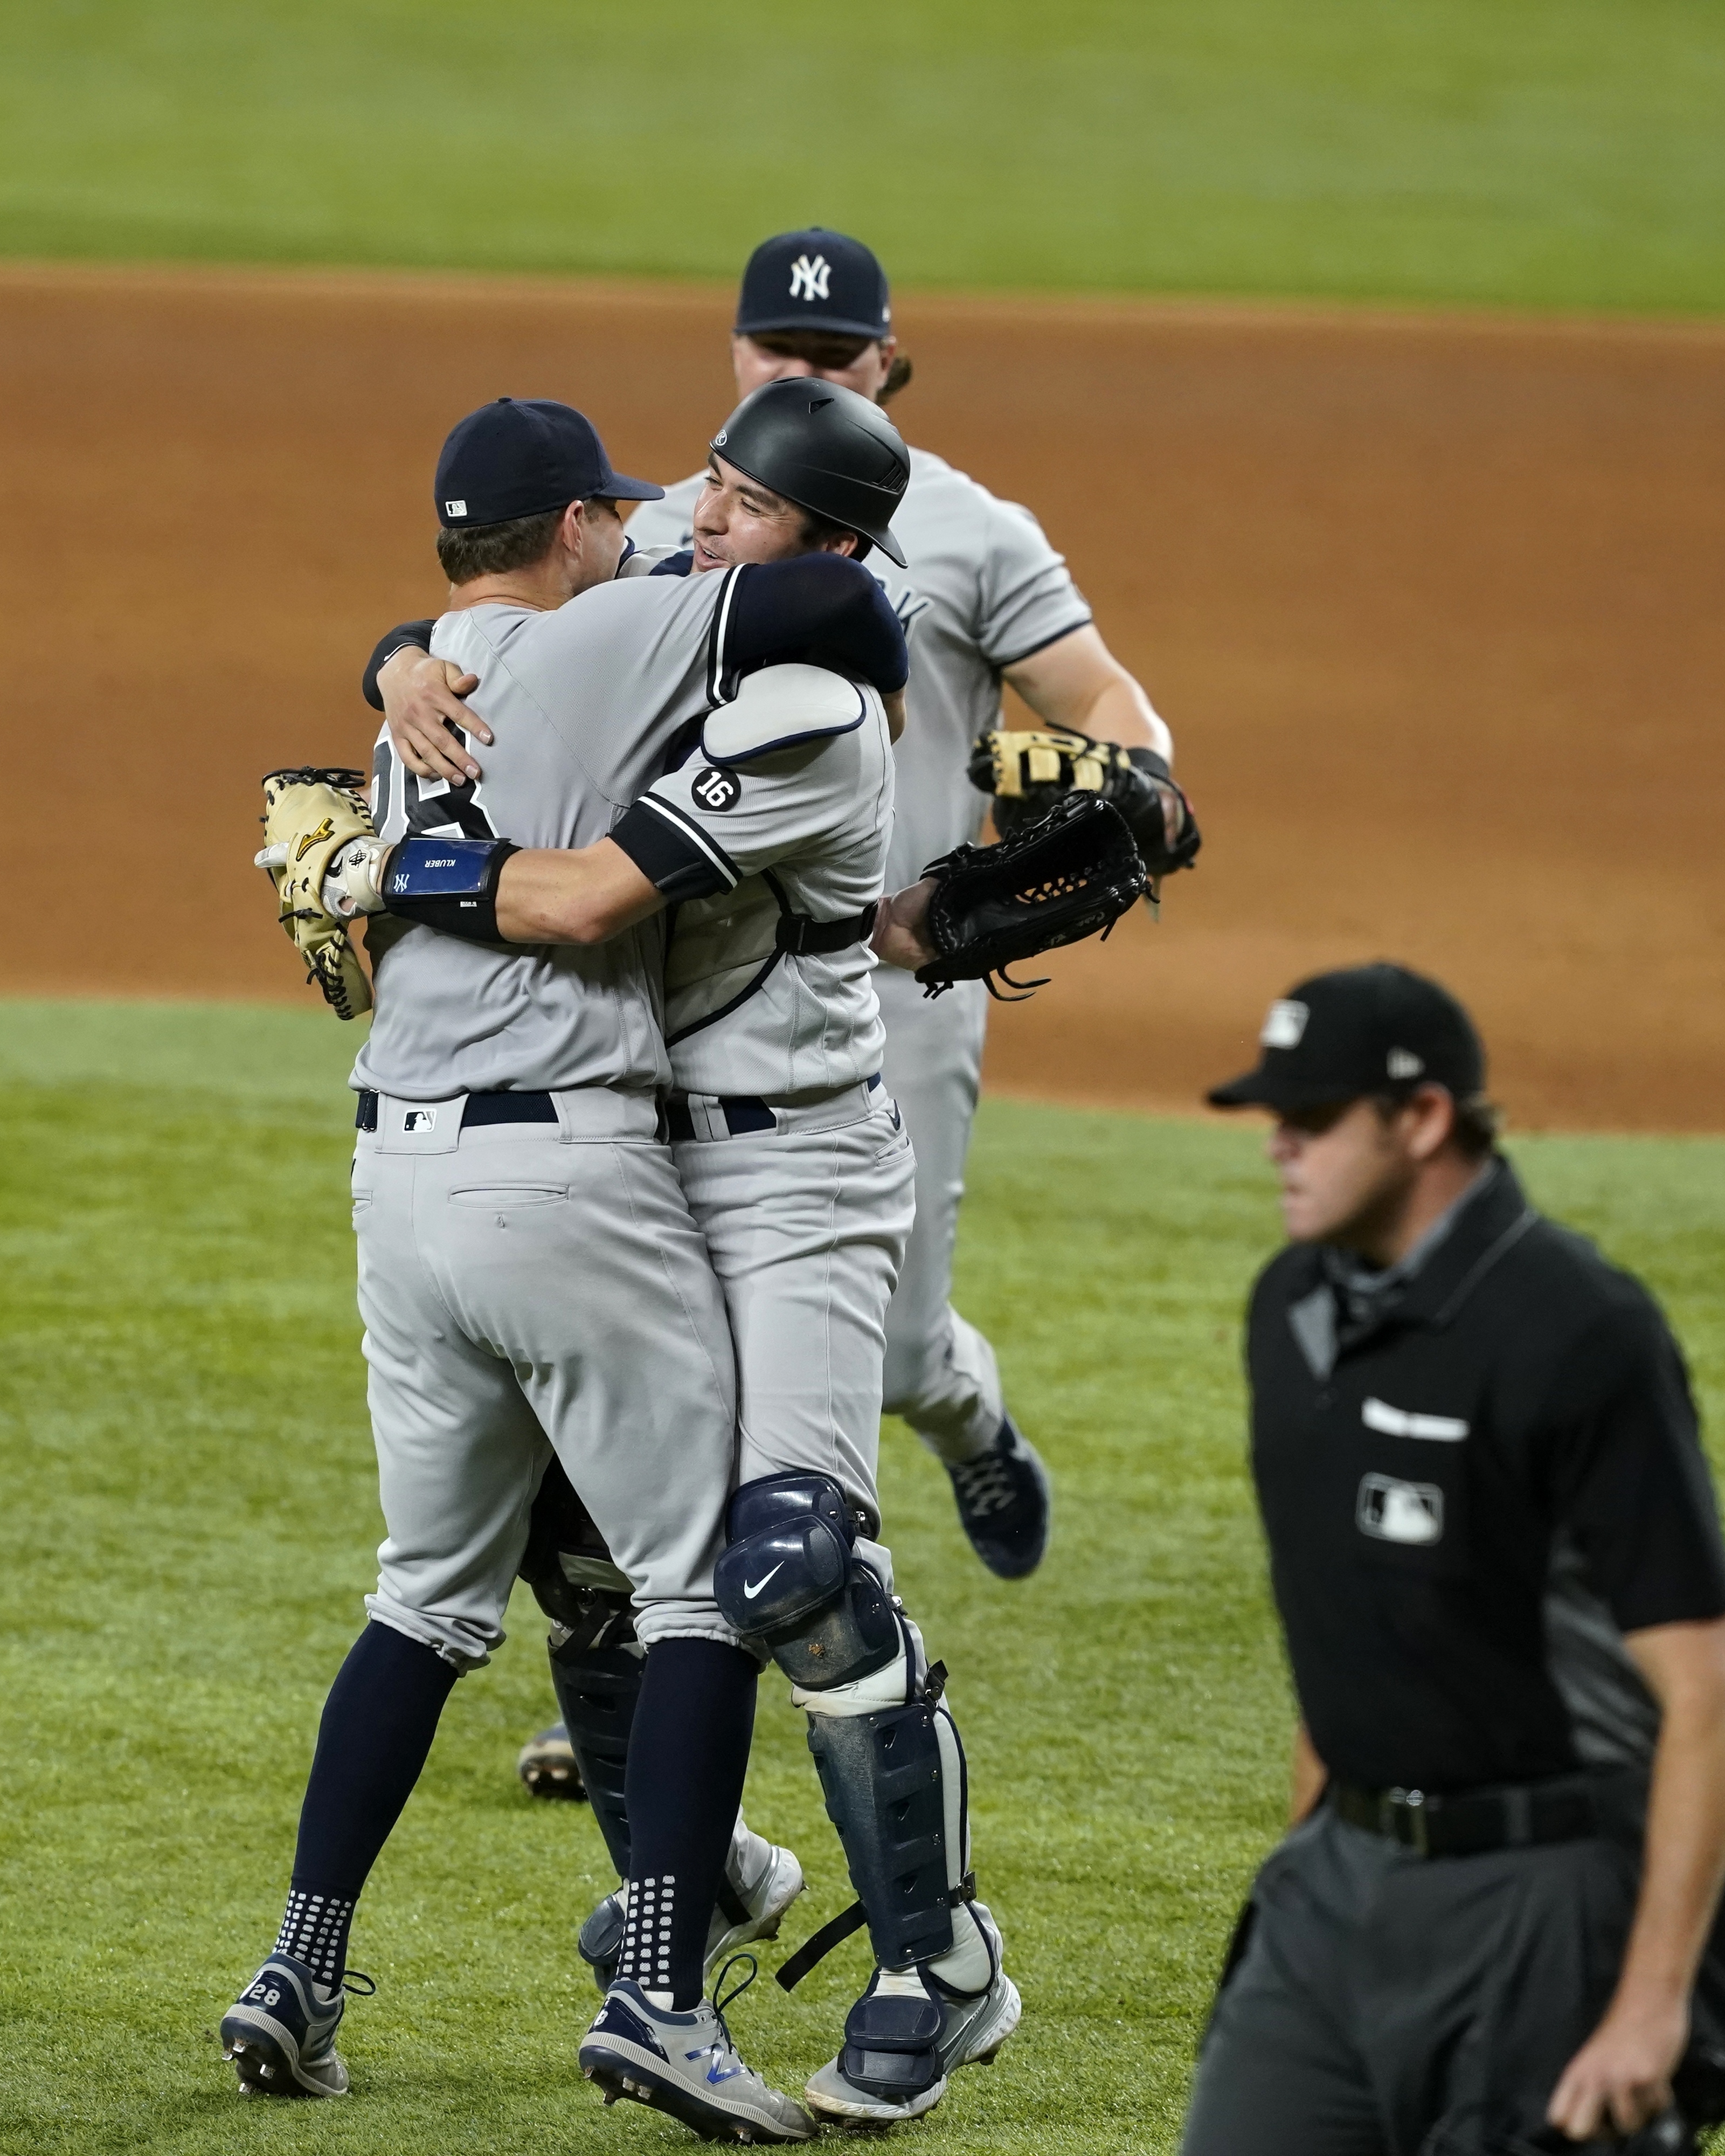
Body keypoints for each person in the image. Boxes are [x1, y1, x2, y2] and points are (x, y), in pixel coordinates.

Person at [219, 394, 912, 2143]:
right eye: (623, 510)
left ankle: (298, 1970)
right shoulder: (613, 623)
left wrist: (391, 659)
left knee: (423, 1599)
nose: (652, 526)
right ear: (582, 529)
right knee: (698, 1591)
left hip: (394, 1173)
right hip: (563, 1169)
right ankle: (664, 1996)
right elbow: (852, 615)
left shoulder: (426, 682)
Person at [380, 226, 1198, 1584]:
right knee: (668, 1351)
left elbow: (1103, 697)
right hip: (678, 964)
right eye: (782, 347)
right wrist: (400, 658)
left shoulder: (976, 533)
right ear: (737, 352)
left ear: (890, 358)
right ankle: (643, 1674)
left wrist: (1148, 773)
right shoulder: (680, 515)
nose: (810, 367)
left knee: (887, 1349)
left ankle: (966, 1407)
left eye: (836, 352)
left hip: (894, 975)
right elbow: (496, 626)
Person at [1184, 963, 1725, 2153]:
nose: (1279, 1143)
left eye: (1313, 1117)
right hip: (1335, 1889)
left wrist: (1649, 2004)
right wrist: (1308, 1858)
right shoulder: (1287, 1312)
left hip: (1541, 1905)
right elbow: (1353, 1622)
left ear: (1421, 1118)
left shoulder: (1576, 1329)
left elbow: (1713, 1688)